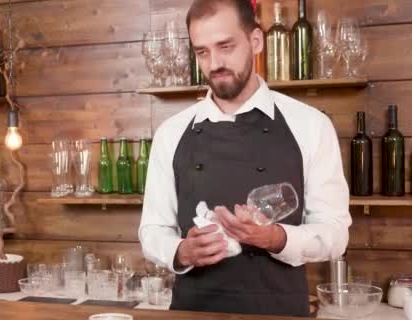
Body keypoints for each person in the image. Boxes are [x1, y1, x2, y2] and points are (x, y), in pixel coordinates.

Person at [138, 0, 352, 316]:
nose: (214, 63)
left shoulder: (310, 125)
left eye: (225, 46)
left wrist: (275, 237)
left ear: (255, 41)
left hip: (278, 309)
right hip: (194, 310)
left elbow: (335, 233)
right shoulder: (172, 133)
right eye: (202, 52)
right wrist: (181, 251)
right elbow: (152, 230)